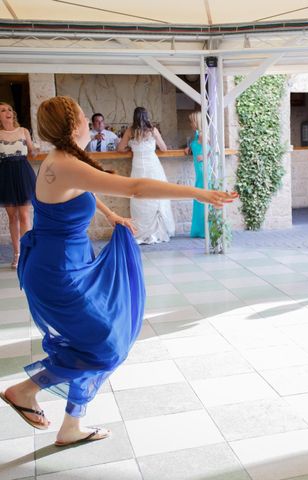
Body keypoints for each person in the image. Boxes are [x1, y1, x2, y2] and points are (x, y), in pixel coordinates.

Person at [0, 95, 237, 447]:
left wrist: (111, 216)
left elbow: (86, 189)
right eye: (82, 114)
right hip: (57, 271)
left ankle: (71, 425)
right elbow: (135, 187)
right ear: (75, 124)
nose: (86, 118)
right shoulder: (65, 162)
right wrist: (196, 192)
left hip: (64, 264)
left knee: (91, 342)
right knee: (104, 345)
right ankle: (25, 391)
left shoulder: (64, 160)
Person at [117, 107, 175, 244]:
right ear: (146, 116)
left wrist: (130, 148)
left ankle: (141, 231)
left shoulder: (130, 131)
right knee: (156, 196)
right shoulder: (152, 130)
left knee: (139, 198)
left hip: (138, 167)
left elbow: (120, 148)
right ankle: (157, 232)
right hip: (153, 167)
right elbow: (164, 148)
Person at [0, 102, 37, 269]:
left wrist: (35, 150)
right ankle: (17, 254)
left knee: (24, 215)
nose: (8, 112)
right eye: (3, 110)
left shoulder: (23, 131)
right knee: (12, 217)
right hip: (5, 175)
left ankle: (28, 253)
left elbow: (31, 150)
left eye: (9, 109)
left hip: (23, 173)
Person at [184, 111, 205, 238]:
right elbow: (197, 147)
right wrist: (190, 149)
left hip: (203, 170)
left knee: (201, 198)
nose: (190, 124)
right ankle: (200, 230)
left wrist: (205, 156)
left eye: (192, 121)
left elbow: (215, 150)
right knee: (199, 199)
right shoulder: (197, 135)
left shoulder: (203, 135)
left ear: (197, 122)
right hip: (199, 171)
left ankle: (203, 230)